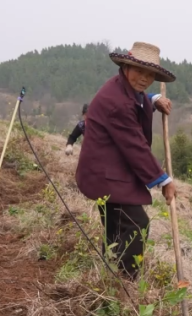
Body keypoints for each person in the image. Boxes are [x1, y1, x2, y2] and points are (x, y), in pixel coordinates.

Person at [75, 42, 177, 279]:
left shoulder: (123, 88)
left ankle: (108, 277)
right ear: (125, 66)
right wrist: (163, 181)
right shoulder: (117, 102)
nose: (144, 78)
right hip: (106, 175)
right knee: (135, 224)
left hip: (106, 170)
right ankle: (125, 282)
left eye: (150, 74)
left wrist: (152, 99)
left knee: (115, 228)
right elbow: (135, 147)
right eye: (139, 71)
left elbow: (137, 99)